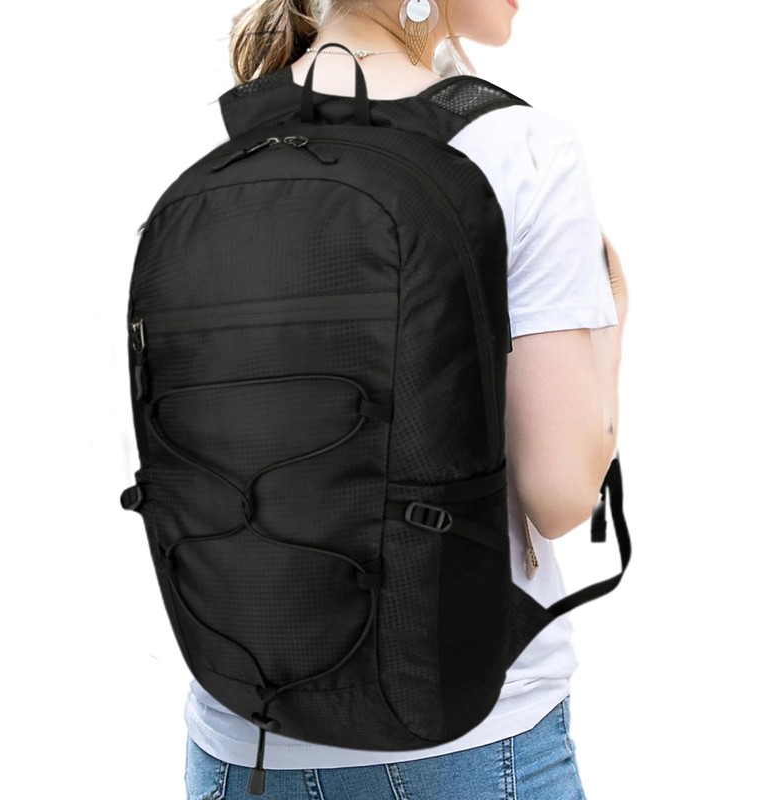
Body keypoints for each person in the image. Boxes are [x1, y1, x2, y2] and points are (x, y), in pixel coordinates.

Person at [183, 0, 629, 796]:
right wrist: (616, 322)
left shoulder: (233, 134)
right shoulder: (520, 147)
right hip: (462, 736)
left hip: (240, 739)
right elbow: (560, 495)